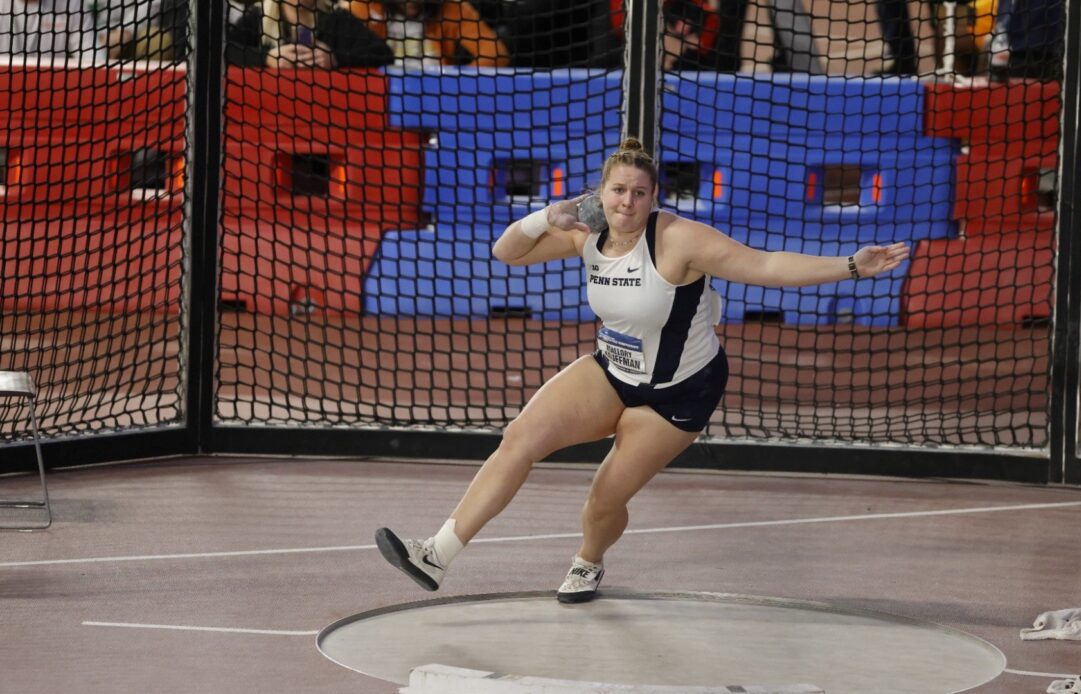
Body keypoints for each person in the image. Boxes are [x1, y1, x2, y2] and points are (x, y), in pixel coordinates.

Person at [375, 137, 910, 603]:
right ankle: (437, 554)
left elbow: (765, 265)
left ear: (654, 198)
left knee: (605, 498)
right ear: (600, 193)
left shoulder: (680, 240)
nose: (626, 202)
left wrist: (850, 266)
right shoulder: (587, 232)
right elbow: (506, 252)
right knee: (518, 438)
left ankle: (589, 560)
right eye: (617, 191)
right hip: (612, 369)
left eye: (638, 193)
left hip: (679, 391)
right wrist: (547, 215)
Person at [226, 0, 394, 68]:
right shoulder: (258, 15)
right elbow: (225, 51)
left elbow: (382, 53)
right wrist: (267, 58)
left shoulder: (336, 18)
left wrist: (336, 58)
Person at [344, 0, 509, 68]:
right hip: (381, 94)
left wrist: (455, 82)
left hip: (435, 96)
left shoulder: (452, 9)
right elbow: (339, 45)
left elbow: (496, 54)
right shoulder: (365, 7)